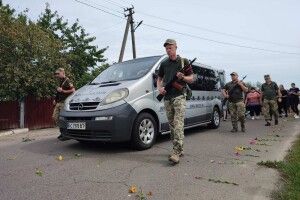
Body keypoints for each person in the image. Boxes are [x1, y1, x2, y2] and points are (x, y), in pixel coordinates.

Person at [157, 39, 194, 164]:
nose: (168, 50)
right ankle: (179, 148)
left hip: (179, 96)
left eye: (170, 47)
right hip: (167, 98)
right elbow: (159, 78)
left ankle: (176, 152)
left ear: (176, 47)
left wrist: (182, 77)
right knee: (172, 125)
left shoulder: (184, 61)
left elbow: (191, 79)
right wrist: (160, 88)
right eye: (166, 48)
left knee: (178, 124)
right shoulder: (164, 63)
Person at [52, 68, 75, 141]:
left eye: (58, 74)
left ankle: (65, 134)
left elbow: (73, 90)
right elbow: (59, 92)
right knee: (55, 117)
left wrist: (63, 91)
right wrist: (55, 100)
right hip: (59, 102)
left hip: (64, 102)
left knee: (62, 118)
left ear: (62, 72)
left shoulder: (67, 80)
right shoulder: (60, 81)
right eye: (56, 74)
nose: (57, 75)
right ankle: (63, 132)